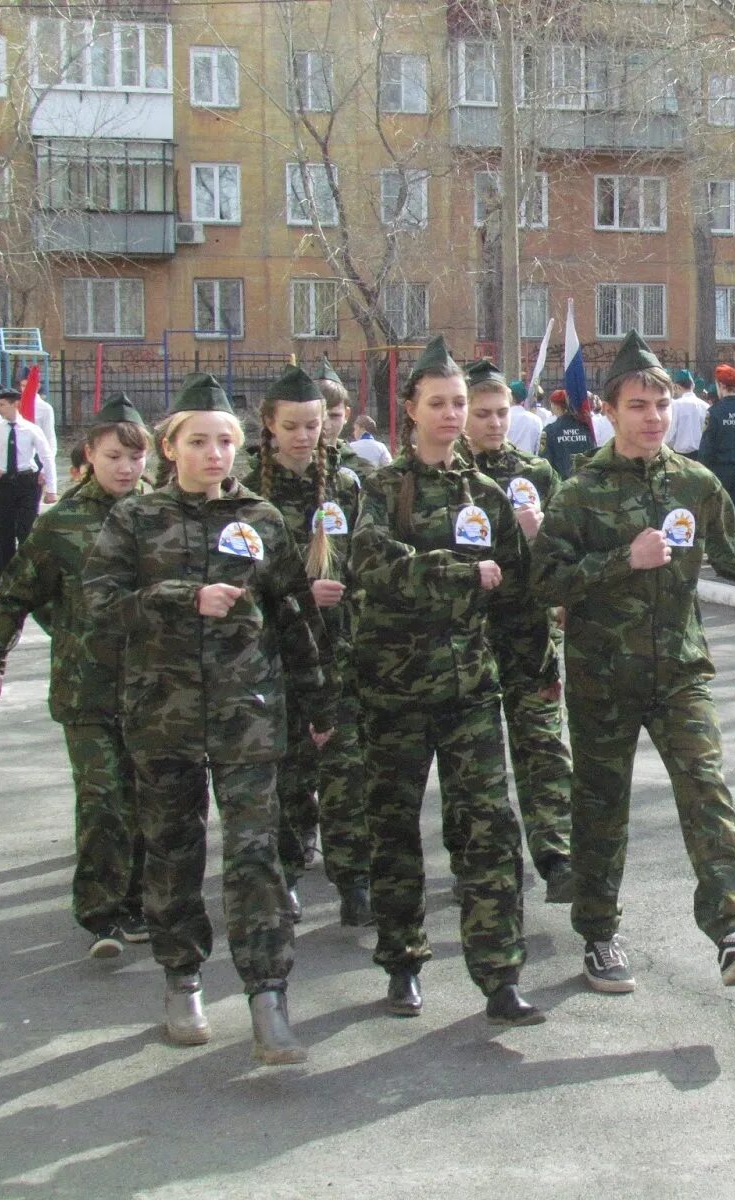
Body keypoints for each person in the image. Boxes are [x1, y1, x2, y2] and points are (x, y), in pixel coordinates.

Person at [83, 372, 333, 1064]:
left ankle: (268, 996)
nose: (215, 454)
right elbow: (99, 607)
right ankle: (182, 976)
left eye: (225, 441)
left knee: (257, 855)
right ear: (171, 448)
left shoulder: (262, 520)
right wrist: (178, 597)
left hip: (248, 718)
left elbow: (294, 616)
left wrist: (318, 701)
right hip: (163, 717)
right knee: (173, 851)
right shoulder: (135, 520)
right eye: (199, 442)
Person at [531, 330, 735, 994]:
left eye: (662, 403)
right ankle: (598, 934)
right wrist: (624, 560)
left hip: (678, 666)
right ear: (609, 411)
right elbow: (546, 580)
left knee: (706, 790)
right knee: (601, 805)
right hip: (602, 675)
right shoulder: (581, 492)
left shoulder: (694, 482)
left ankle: (734, 931)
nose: (653, 416)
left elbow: (727, 539)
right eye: (639, 405)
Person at [349, 335, 543, 1027]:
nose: (453, 415)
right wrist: (454, 571)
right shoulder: (375, 487)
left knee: (488, 829)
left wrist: (535, 672)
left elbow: (518, 595)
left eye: (461, 402)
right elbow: (370, 561)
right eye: (439, 403)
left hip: (468, 690)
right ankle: (402, 962)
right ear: (409, 410)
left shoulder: (486, 493)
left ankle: (499, 977)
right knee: (395, 830)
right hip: (393, 692)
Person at [0, 394, 151, 957]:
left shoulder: (161, 515)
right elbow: (14, 593)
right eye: (113, 456)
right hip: (85, 688)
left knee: (145, 800)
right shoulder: (60, 525)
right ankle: (101, 912)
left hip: (155, 689)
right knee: (104, 796)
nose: (125, 469)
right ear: (89, 454)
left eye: (135, 458)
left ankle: (137, 902)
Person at [246, 365, 372, 927]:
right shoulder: (245, 491)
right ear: (269, 426)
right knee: (289, 771)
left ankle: (354, 881)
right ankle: (290, 870)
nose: (303, 436)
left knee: (346, 774)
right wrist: (298, 596)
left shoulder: (345, 485)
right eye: (291, 426)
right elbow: (234, 580)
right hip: (273, 657)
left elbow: (368, 561)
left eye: (313, 425)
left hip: (338, 651)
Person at [464, 357, 574, 904]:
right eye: (481, 413)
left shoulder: (537, 473)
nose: (493, 423)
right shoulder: (446, 475)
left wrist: (539, 537)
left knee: (542, 745)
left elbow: (561, 557)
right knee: (477, 761)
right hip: (466, 642)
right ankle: (482, 861)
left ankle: (556, 855)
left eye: (501, 413)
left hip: (528, 635)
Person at [0, 385, 60, 581]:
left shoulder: (31, 429)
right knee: (3, 529)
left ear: (16, 404)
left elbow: (46, 457)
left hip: (27, 482)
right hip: (2, 483)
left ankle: (28, 574)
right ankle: (5, 575)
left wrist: (52, 489)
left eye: (3, 405)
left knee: (26, 528)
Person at [698, 364, 735, 525]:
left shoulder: (714, 412)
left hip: (719, 470)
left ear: (721, 386)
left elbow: (707, 446)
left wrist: (702, 471)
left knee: (720, 515)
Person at [313, 357, 367, 483]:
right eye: (318, 416)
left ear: (347, 415)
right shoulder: (288, 467)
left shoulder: (363, 470)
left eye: (334, 416)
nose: (326, 425)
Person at [542, 388, 595, 479]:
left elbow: (545, 462)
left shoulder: (550, 430)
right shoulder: (586, 427)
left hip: (561, 485)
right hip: (585, 483)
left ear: (556, 405)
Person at [665, 369, 709, 458]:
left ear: (677, 387)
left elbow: (670, 434)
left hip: (680, 456)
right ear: (693, 385)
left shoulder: (675, 405)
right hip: (700, 455)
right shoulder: (705, 406)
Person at [507, 378, 545, 456]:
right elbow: (539, 447)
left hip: (506, 463)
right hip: (530, 464)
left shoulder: (503, 418)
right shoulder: (536, 419)